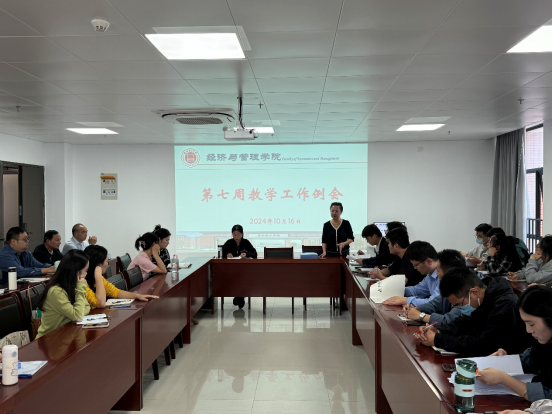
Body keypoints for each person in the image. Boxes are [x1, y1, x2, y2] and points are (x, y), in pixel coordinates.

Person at [415, 268, 531, 356]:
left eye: (460, 304)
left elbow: (484, 346)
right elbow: (468, 322)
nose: (459, 307)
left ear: (474, 292)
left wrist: (437, 340)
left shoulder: (505, 306)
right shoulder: (487, 293)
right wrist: (439, 330)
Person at [478, 286, 552, 403]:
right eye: (525, 323)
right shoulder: (543, 342)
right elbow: (528, 359)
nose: (528, 330)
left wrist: (504, 379)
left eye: (532, 324)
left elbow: (549, 396)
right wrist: (506, 359)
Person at [404, 249, 467, 328]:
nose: (436, 274)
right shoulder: (450, 287)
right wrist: (416, 309)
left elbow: (448, 321)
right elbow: (434, 304)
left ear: (449, 274)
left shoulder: (466, 291)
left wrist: (420, 315)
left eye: (438, 271)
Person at [35, 250, 91, 339]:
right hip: (50, 339)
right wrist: (80, 289)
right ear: (76, 272)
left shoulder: (72, 286)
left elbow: (87, 307)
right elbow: (78, 316)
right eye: (86, 270)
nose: (86, 274)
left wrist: (77, 313)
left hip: (66, 335)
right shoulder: (56, 291)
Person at [83, 245, 158, 309]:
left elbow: (117, 292)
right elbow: (101, 303)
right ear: (98, 265)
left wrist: (137, 296)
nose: (107, 264)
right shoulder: (82, 282)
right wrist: (98, 276)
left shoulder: (97, 279)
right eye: (106, 261)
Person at [383, 241, 439, 306]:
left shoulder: (444, 275)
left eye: (416, 265)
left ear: (429, 261)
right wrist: (398, 289)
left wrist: (405, 300)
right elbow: (416, 290)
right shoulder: (430, 275)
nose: (415, 268)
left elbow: (433, 303)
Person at [222, 225, 258, 309]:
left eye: (238, 235)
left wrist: (247, 254)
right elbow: (222, 252)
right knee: (234, 278)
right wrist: (227, 254)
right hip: (232, 269)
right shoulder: (229, 242)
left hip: (244, 269)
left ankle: (239, 297)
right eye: (234, 235)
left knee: (243, 278)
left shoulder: (246, 242)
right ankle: (240, 297)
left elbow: (255, 253)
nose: (236, 237)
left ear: (242, 234)